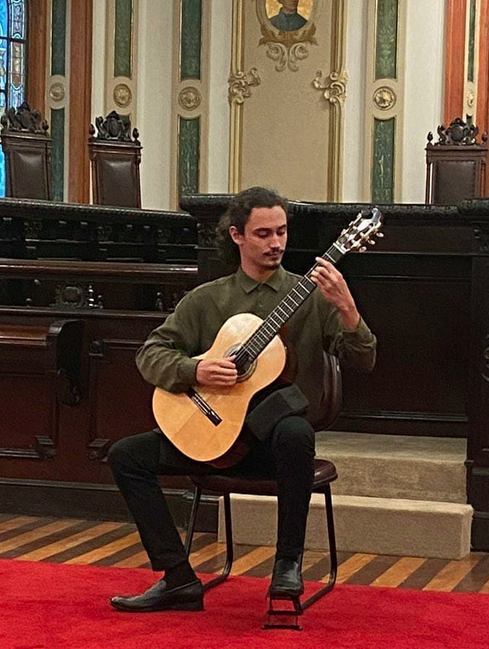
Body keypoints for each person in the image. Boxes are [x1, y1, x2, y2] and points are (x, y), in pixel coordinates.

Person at [108, 186, 377, 613]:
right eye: (263, 234)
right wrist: (194, 370)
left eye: (282, 232)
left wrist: (348, 310)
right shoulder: (208, 299)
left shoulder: (311, 297)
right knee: (125, 455)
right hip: (214, 440)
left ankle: (287, 565)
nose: (276, 243)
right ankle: (177, 577)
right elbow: (150, 353)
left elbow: (363, 361)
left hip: (275, 449)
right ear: (237, 236)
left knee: (295, 431)